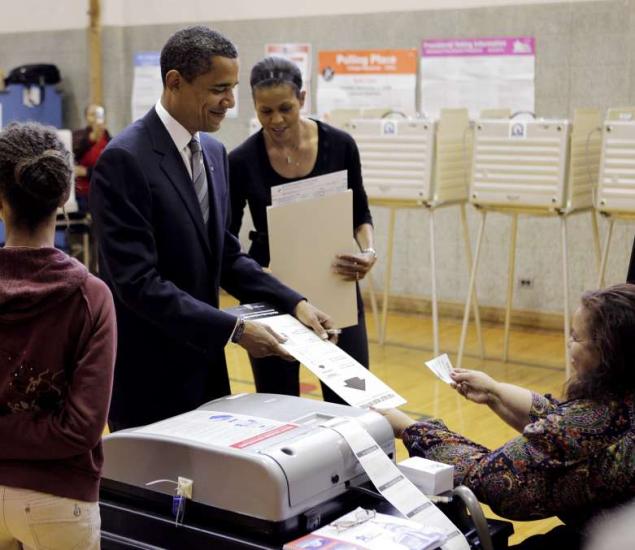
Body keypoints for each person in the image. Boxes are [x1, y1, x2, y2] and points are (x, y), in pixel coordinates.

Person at [91, 27, 333, 430]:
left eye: (234, 87)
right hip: (149, 377)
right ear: (174, 82)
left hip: (206, 371)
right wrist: (235, 330)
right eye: (219, 88)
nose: (231, 101)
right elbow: (138, 283)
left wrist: (295, 303)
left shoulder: (215, 153)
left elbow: (225, 254)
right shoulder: (125, 159)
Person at [381, 284, 635, 541]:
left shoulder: (593, 421)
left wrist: (410, 428)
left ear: (608, 351)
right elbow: (557, 419)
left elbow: (494, 479)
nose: (569, 345)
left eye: (577, 338)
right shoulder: (619, 405)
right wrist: (494, 392)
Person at [229, 56, 376, 403]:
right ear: (254, 105)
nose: (276, 120)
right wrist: (255, 276)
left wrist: (368, 252)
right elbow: (227, 237)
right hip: (270, 287)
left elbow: (360, 212)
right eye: (266, 112)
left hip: (333, 280)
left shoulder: (340, 146)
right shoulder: (240, 161)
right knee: (278, 400)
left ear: (303, 99)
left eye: (286, 108)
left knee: (352, 398)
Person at [0, 122, 116, 549]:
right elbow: (81, 428)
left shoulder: (90, 295)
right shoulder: (91, 295)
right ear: (65, 195)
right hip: (61, 499)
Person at [72, 103, 110, 213]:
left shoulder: (110, 141)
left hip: (102, 194)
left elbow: (110, 171)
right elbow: (73, 152)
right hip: (80, 195)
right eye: (92, 115)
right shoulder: (78, 137)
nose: (95, 118)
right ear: (86, 118)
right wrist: (91, 138)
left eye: (98, 114)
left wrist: (87, 171)